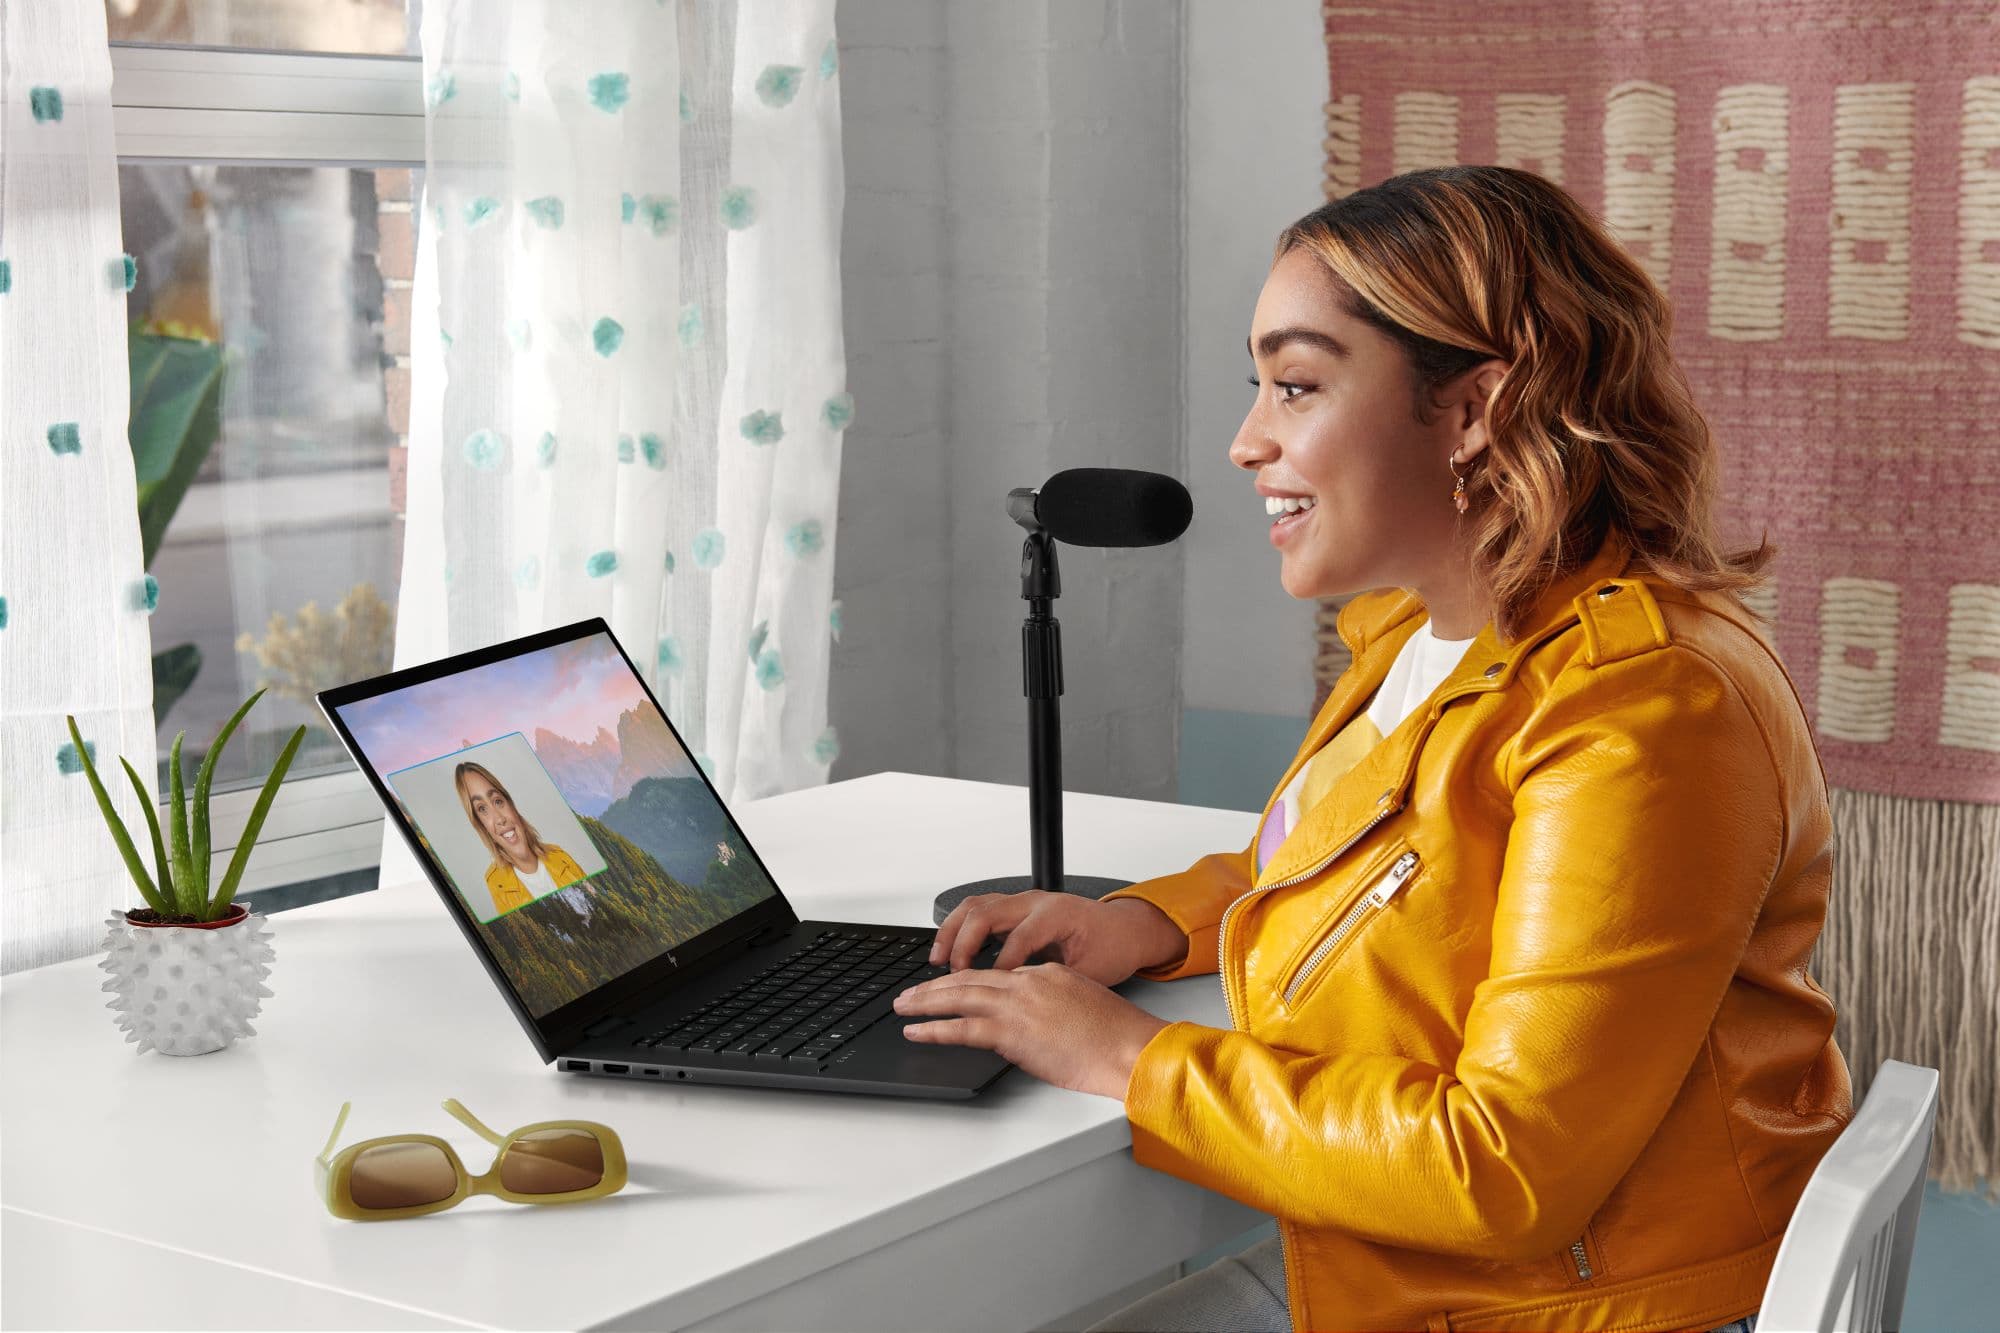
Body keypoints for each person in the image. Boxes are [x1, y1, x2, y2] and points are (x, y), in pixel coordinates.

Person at [893, 166, 1846, 1333]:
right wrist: (1142, 922)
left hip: (1560, 1306)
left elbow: (1499, 1169)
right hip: (1410, 1273)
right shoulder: (1427, 629)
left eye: (1294, 387)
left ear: (1474, 409)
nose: (1246, 442)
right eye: (1257, 388)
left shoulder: (1639, 711)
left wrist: (1130, 1062)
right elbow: (1344, 863)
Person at [453, 761, 588, 917]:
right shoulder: (497, 884)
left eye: (498, 801)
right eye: (482, 809)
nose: (499, 819)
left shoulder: (560, 856)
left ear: (512, 806)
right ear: (481, 826)